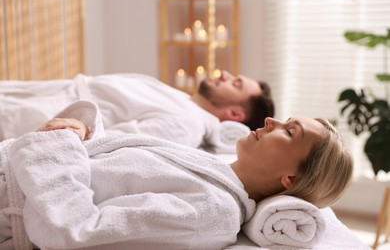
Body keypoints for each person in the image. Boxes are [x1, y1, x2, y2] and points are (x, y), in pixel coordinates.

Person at [0, 101, 352, 249]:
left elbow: (75, 232)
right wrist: (81, 130)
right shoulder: (212, 168)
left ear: (289, 179)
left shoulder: (213, 213)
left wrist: (54, 150)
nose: (272, 121)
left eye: (290, 132)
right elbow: (115, 163)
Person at [0, 71, 274, 152]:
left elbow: (114, 144)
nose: (225, 74)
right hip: (45, 95)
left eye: (236, 83)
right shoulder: (186, 103)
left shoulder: (187, 125)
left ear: (236, 114)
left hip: (45, 114)